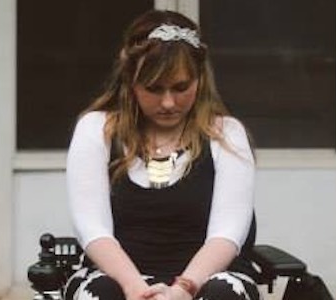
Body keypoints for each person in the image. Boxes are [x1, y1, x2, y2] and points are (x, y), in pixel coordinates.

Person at [64, 10, 259, 300]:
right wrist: (137, 291)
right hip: (118, 278)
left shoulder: (226, 134)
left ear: (200, 80)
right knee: (99, 293)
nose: (168, 103)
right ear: (131, 81)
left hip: (208, 278)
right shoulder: (97, 130)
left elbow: (227, 234)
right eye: (154, 88)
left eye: (181, 87)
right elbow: (93, 229)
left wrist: (184, 289)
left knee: (224, 294)